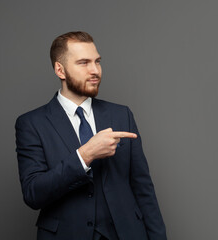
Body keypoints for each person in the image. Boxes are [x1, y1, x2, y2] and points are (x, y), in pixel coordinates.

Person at [15, 31, 166, 240]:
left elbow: (143, 189)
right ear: (60, 70)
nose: (95, 70)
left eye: (97, 62)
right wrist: (84, 155)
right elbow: (33, 193)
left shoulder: (121, 115)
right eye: (84, 63)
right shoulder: (31, 124)